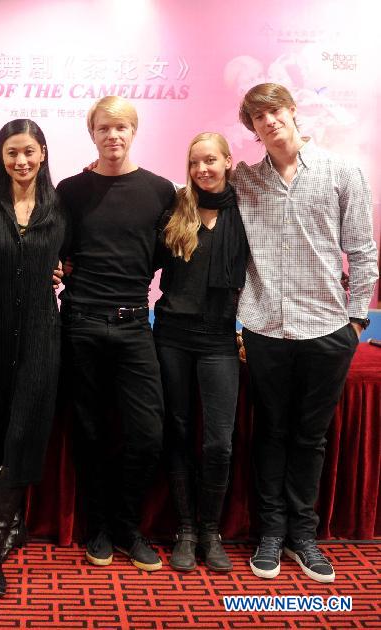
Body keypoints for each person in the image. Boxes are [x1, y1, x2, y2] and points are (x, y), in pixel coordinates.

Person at [235, 83, 378, 583]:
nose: (269, 121)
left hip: (327, 327)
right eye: (257, 117)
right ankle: (271, 533)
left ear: (292, 112)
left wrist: (356, 320)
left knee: (310, 437)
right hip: (265, 327)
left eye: (274, 111)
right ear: (251, 129)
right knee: (271, 431)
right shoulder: (244, 181)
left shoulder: (342, 172)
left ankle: (304, 535)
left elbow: (362, 251)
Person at [57, 95, 175, 572]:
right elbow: (56, 251)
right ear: (92, 134)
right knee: (89, 433)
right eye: (104, 128)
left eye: (122, 127)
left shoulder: (161, 190)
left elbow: (168, 254)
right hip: (80, 321)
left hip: (133, 325)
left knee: (147, 433)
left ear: (134, 130)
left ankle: (129, 525)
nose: (114, 136)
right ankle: (99, 527)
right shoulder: (70, 190)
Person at [0, 119, 66, 596]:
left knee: (26, 426)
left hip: (43, 335)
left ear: (43, 153)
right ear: (0, 159)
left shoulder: (62, 204)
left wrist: (67, 272)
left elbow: (86, 253)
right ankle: (14, 524)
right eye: (11, 153)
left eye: (29, 151)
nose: (21, 161)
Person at [154, 132, 248, 572]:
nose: (202, 170)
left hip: (219, 340)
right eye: (194, 163)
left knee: (218, 443)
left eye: (210, 160)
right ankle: (187, 529)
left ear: (228, 161)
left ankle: (211, 531)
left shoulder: (247, 211)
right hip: (171, 335)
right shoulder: (175, 208)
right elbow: (136, 250)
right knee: (176, 430)